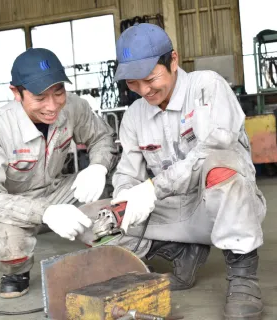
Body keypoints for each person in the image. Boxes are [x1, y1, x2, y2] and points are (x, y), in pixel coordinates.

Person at [109, 23, 266, 320]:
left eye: (151, 78)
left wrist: (153, 188)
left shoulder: (206, 86)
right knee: (100, 220)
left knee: (222, 164)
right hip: (174, 211)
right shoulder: (133, 116)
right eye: (132, 83)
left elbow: (214, 148)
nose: (144, 90)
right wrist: (124, 199)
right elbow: (128, 173)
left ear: (173, 60)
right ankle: (183, 254)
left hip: (219, 206)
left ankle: (244, 278)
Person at [0, 48, 117, 299]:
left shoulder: (72, 107)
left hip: (57, 191)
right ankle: (16, 271)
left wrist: (98, 166)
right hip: (13, 206)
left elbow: (102, 136)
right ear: (16, 93)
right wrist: (45, 212)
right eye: (40, 97)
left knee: (108, 190)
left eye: (58, 93)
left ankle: (107, 250)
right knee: (2, 240)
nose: (52, 106)